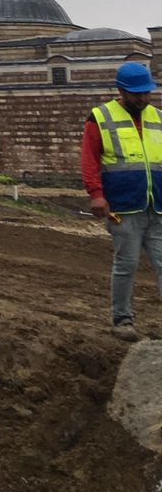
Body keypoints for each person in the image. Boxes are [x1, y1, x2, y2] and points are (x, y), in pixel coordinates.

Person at [82, 61, 162, 341]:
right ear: (121, 90)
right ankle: (122, 319)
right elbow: (90, 160)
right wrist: (96, 194)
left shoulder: (158, 117)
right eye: (136, 93)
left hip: (158, 206)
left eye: (146, 93)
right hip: (123, 207)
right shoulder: (100, 117)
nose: (142, 98)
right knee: (126, 265)